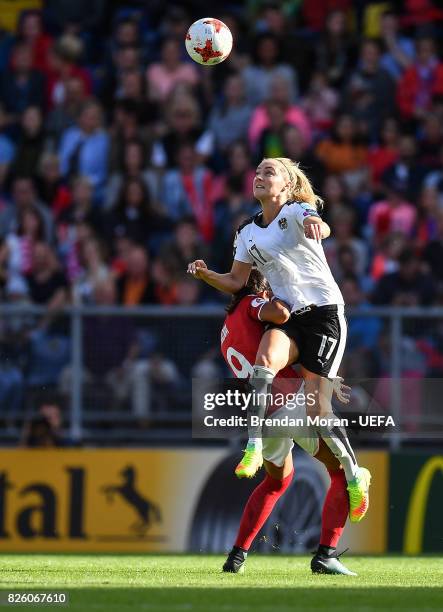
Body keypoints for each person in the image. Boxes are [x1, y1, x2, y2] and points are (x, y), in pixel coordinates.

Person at [187, 157, 370, 523]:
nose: (259, 175)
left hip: (323, 316)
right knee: (263, 364)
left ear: (286, 185)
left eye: (269, 172)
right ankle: (253, 444)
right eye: (257, 171)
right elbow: (237, 282)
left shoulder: (296, 210)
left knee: (319, 412)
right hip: (289, 314)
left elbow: (315, 221)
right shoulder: (247, 232)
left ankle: (355, 475)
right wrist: (207, 275)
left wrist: (319, 223)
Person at [220, 269, 356, 575]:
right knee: (341, 472)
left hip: (263, 415)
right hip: (291, 403)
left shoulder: (227, 327)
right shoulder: (255, 303)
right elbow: (280, 317)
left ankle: (237, 556)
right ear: (263, 289)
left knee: (276, 482)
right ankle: (326, 554)